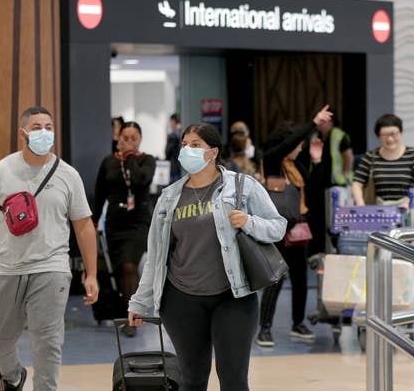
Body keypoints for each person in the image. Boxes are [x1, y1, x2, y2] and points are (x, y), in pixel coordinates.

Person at [128, 123, 286, 391]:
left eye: (196, 145)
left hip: (233, 296)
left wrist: (248, 222)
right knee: (192, 379)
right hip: (181, 299)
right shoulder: (169, 197)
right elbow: (156, 256)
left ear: (212, 152)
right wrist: (140, 302)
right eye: (185, 144)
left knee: (234, 380)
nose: (187, 149)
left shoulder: (242, 186)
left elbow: (278, 226)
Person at [0, 106, 99, 391]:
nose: (44, 132)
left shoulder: (68, 175)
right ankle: (13, 376)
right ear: (23, 132)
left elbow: (84, 226)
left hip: (51, 267)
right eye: (37, 127)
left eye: (48, 126)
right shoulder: (2, 171)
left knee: (47, 341)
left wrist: (92, 273)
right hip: (4, 267)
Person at [256, 106, 333, 347]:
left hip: (299, 228)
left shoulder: (296, 166)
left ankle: (298, 323)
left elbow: (315, 188)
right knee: (275, 279)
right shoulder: (270, 161)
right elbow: (290, 143)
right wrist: (312, 123)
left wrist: (317, 162)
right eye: (297, 144)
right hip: (277, 229)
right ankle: (264, 329)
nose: (300, 147)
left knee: (300, 278)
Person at [94, 121, 156, 337]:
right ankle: (125, 310)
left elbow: (140, 180)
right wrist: (93, 221)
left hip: (138, 223)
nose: (128, 141)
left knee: (130, 266)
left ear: (139, 139)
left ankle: (133, 316)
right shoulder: (108, 162)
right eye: (125, 137)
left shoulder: (147, 160)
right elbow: (100, 192)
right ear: (117, 138)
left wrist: (129, 155)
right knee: (121, 268)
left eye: (133, 138)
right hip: (114, 224)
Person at [352, 113, 414, 225]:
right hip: (380, 213)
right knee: (380, 242)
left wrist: (408, 202)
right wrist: (360, 204)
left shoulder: (412, 154)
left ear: (400, 133)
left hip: (407, 210)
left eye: (393, 134)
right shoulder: (371, 156)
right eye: (384, 135)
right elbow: (357, 183)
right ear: (379, 136)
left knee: (408, 241)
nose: (390, 139)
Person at [298, 111, 354, 254]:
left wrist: (346, 174)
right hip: (318, 184)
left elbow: (348, 156)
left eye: (324, 121)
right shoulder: (315, 137)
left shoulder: (339, 135)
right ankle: (318, 250)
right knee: (318, 217)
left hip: (336, 184)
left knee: (334, 218)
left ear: (331, 122)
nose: (320, 124)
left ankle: (336, 249)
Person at [165, 113, 183, 183]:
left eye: (171, 122)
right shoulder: (184, 133)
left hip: (174, 166)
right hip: (182, 166)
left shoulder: (173, 135)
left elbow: (167, 152)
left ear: (174, 121)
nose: (170, 124)